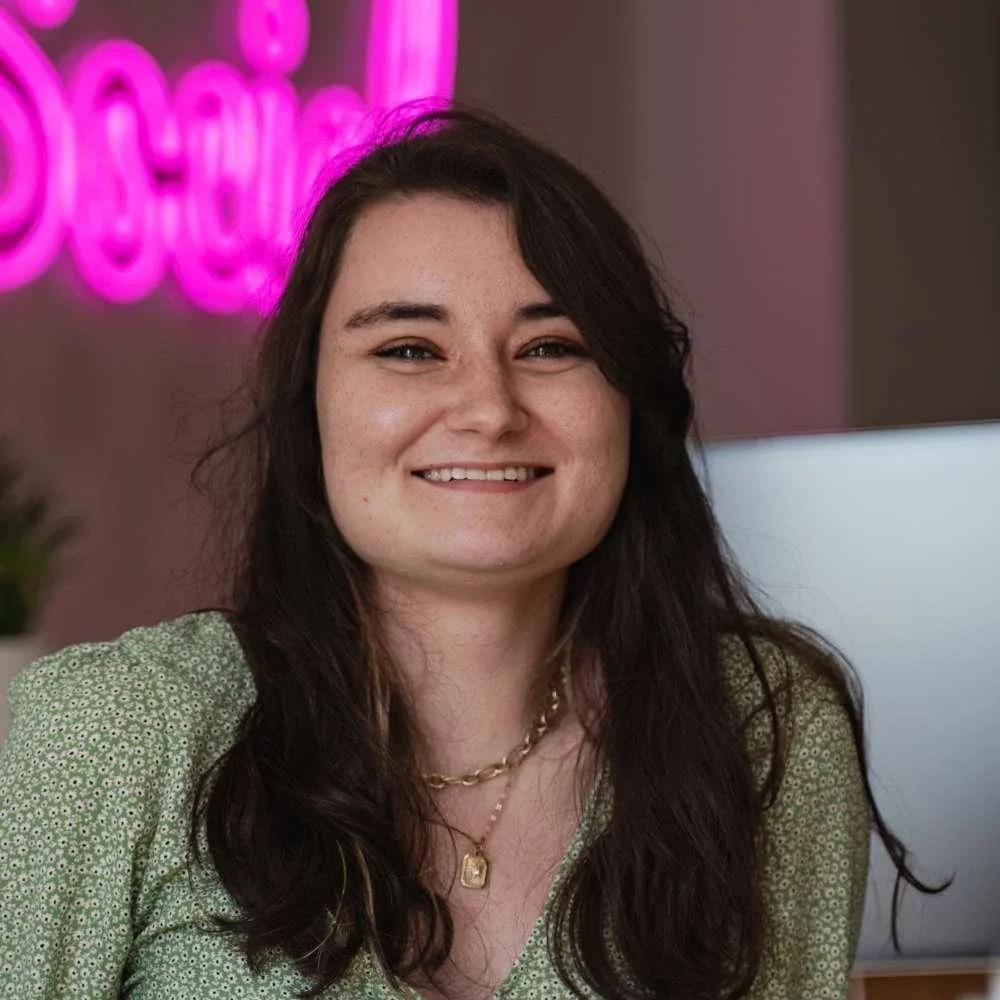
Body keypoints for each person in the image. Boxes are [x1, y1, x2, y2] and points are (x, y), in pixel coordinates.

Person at [0, 107, 943, 1000]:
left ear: (628, 403)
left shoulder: (763, 728)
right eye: (410, 349)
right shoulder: (112, 728)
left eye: (552, 347)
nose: (489, 409)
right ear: (310, 406)